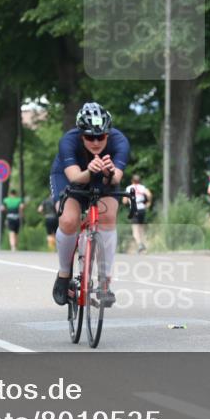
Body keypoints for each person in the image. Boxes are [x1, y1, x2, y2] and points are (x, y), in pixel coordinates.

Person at [49, 102, 129, 308]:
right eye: (89, 137)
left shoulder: (120, 142)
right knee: (68, 220)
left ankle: (105, 282)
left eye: (100, 136)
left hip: (101, 179)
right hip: (70, 176)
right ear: (80, 134)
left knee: (108, 217)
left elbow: (115, 178)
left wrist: (109, 172)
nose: (95, 142)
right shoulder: (68, 141)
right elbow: (75, 177)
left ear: (108, 134)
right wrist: (91, 171)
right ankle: (64, 274)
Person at [124, 173, 152, 253]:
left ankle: (140, 245)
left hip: (134, 208)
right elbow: (149, 194)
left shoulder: (129, 188)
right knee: (141, 228)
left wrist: (126, 202)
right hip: (142, 208)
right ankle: (144, 246)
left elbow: (124, 201)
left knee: (135, 229)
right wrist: (149, 202)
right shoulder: (142, 187)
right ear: (139, 181)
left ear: (132, 181)